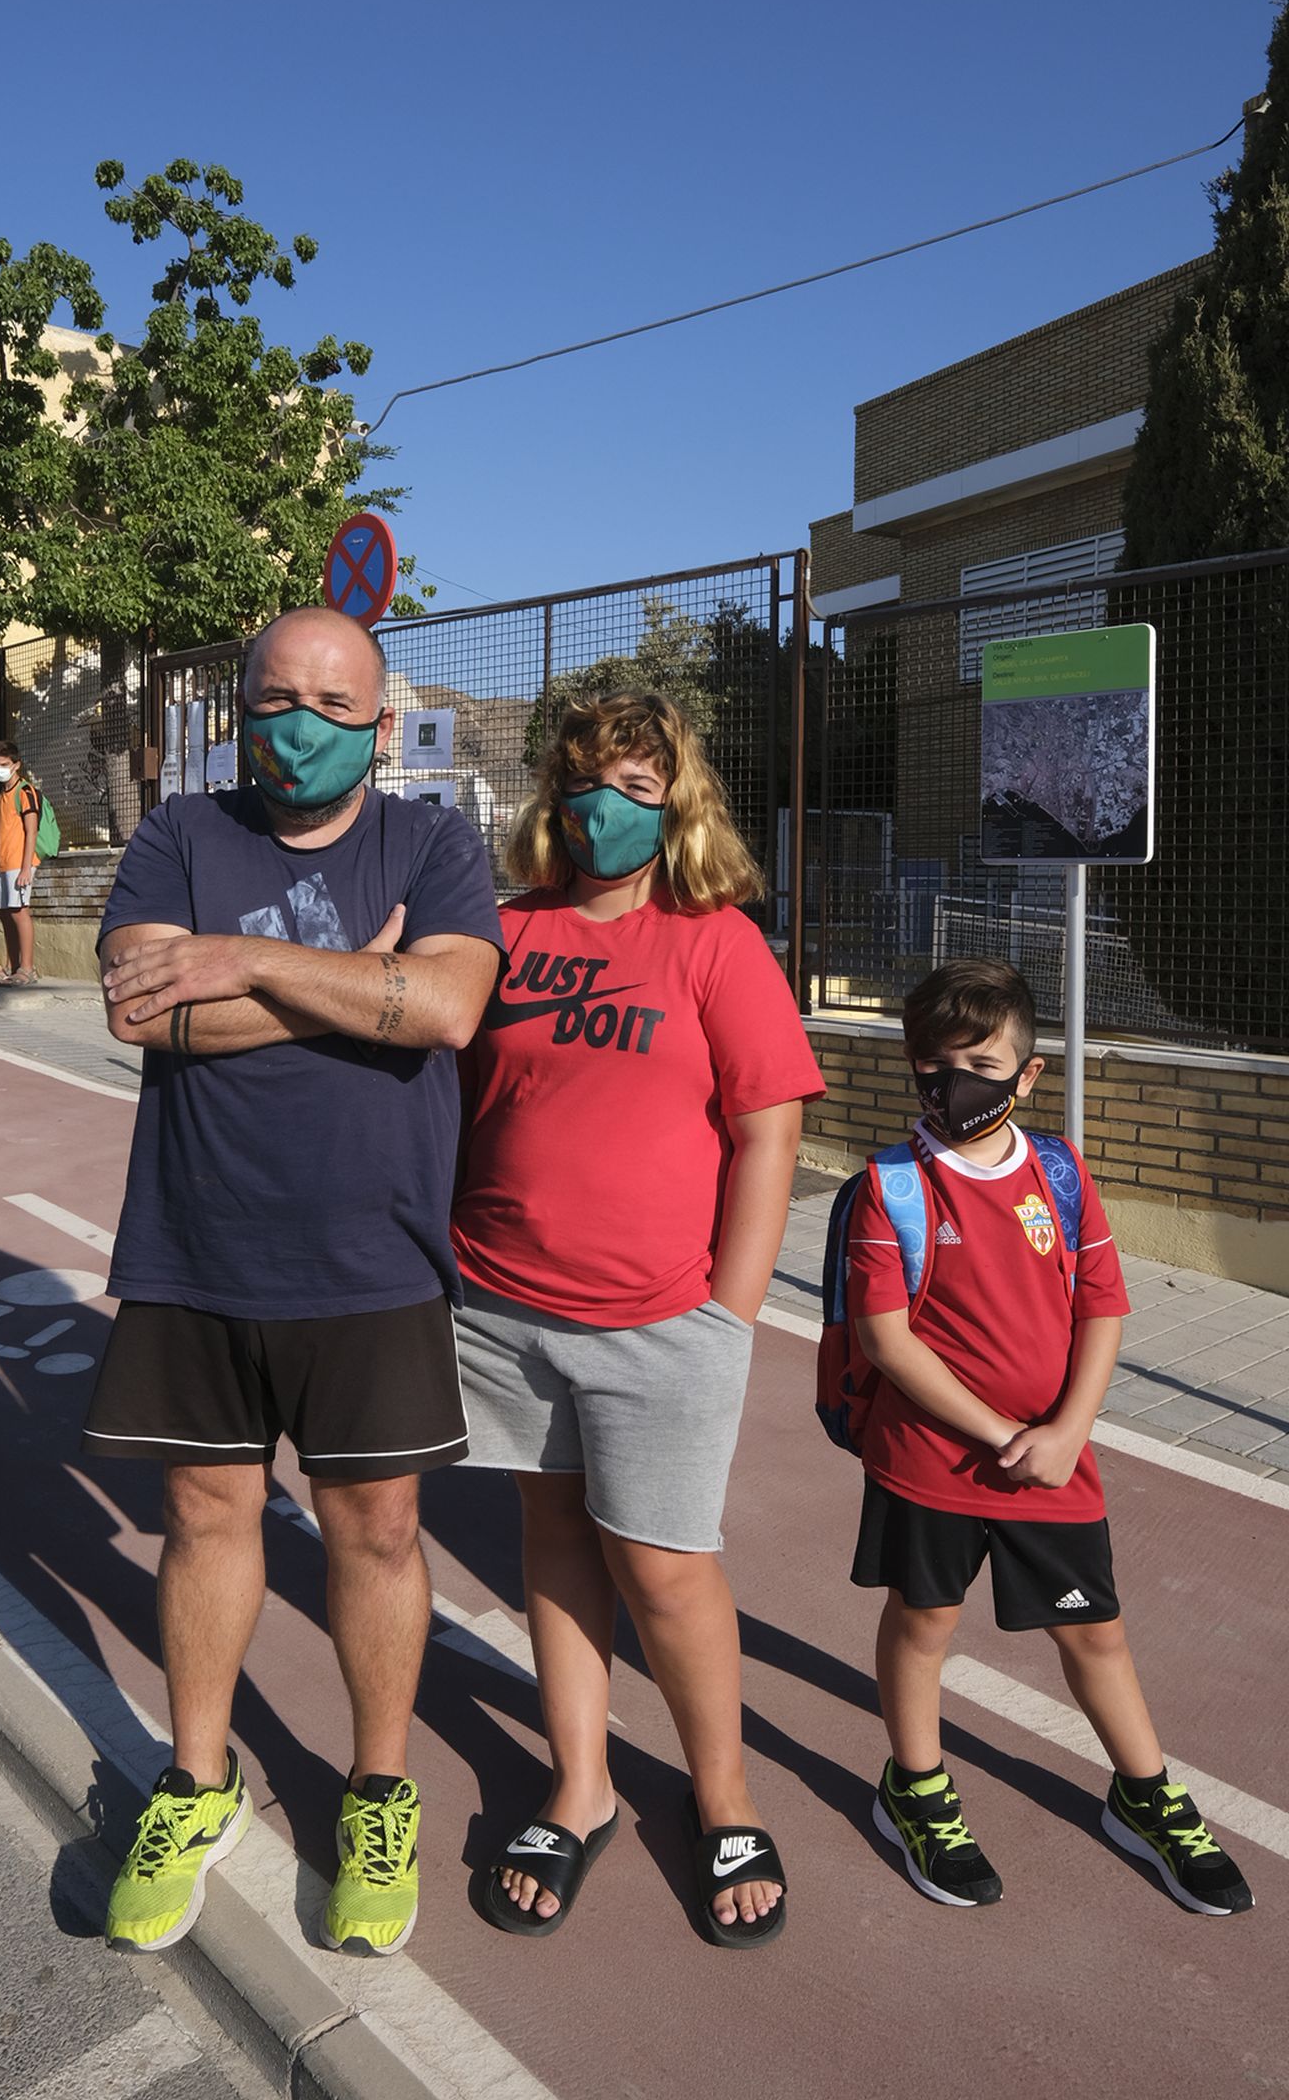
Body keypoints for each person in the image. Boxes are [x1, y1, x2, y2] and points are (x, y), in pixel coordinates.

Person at [86, 606, 502, 1961]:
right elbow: (145, 1009)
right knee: (205, 1521)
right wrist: (361, 975)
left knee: (377, 1531)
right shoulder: (180, 834)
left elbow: (447, 1010)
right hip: (195, 1248)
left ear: (380, 725)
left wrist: (248, 957)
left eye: (333, 705)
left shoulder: (434, 840)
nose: (298, 727)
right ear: (241, 707)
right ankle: (197, 1784)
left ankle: (379, 1791)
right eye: (275, 699)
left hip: (375, 1255)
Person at [450, 690, 824, 1945]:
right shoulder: (504, 929)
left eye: (631, 782)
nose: (600, 803)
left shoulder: (716, 943)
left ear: (675, 802)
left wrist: (732, 1310)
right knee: (551, 1541)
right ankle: (582, 1783)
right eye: (581, 780)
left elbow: (771, 1127)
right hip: (498, 1307)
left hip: (662, 1323)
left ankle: (722, 1795)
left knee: (664, 1568)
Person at [843, 958, 1253, 1916]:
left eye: (983, 1062)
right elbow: (885, 1338)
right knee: (923, 1623)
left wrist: (1068, 1430)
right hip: (932, 1463)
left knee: (1095, 1632)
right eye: (937, 1065)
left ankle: (1144, 1795)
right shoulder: (893, 1188)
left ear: (1027, 1075)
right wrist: (998, 1431)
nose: (958, 1084)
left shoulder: (1061, 1172)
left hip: (1054, 1468)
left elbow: (1103, 1305)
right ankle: (915, 1789)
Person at [0, 738, 41, 984]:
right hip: (3, 863)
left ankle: (27, 969)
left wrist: (26, 867)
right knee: (6, 913)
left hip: (19, 864)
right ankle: (12, 965)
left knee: (20, 913)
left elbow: (31, 830)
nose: (0, 769)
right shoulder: (2, 793)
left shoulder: (25, 791)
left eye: (4, 764)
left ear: (16, 764)